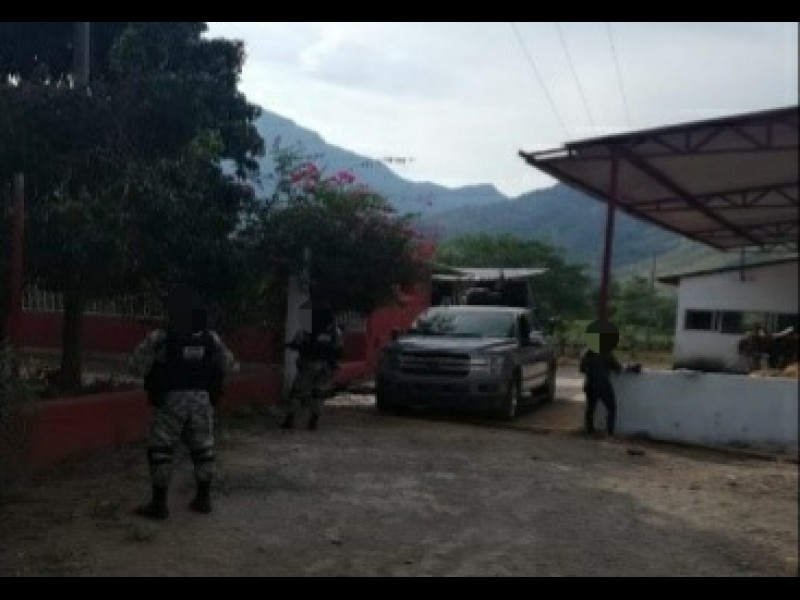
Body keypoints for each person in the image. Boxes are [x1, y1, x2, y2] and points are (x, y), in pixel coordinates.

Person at [130, 288, 237, 519]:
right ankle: (204, 498)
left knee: (161, 449)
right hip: (202, 401)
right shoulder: (211, 338)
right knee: (203, 448)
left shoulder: (160, 337)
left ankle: (159, 504)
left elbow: (136, 366)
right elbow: (230, 365)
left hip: (169, 400)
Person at [280, 301, 343, 431]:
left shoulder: (308, 328)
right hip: (325, 366)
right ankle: (314, 420)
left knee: (297, 392)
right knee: (318, 393)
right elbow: (339, 349)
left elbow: (297, 342)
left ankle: (289, 419)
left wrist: (289, 345)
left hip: (309, 364)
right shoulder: (334, 331)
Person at [579, 320, 622, 436]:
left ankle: (589, 430)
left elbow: (582, 369)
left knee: (590, 408)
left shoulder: (586, 353)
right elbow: (617, 368)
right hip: (603, 384)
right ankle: (610, 431)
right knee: (611, 407)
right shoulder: (606, 352)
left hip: (589, 384)